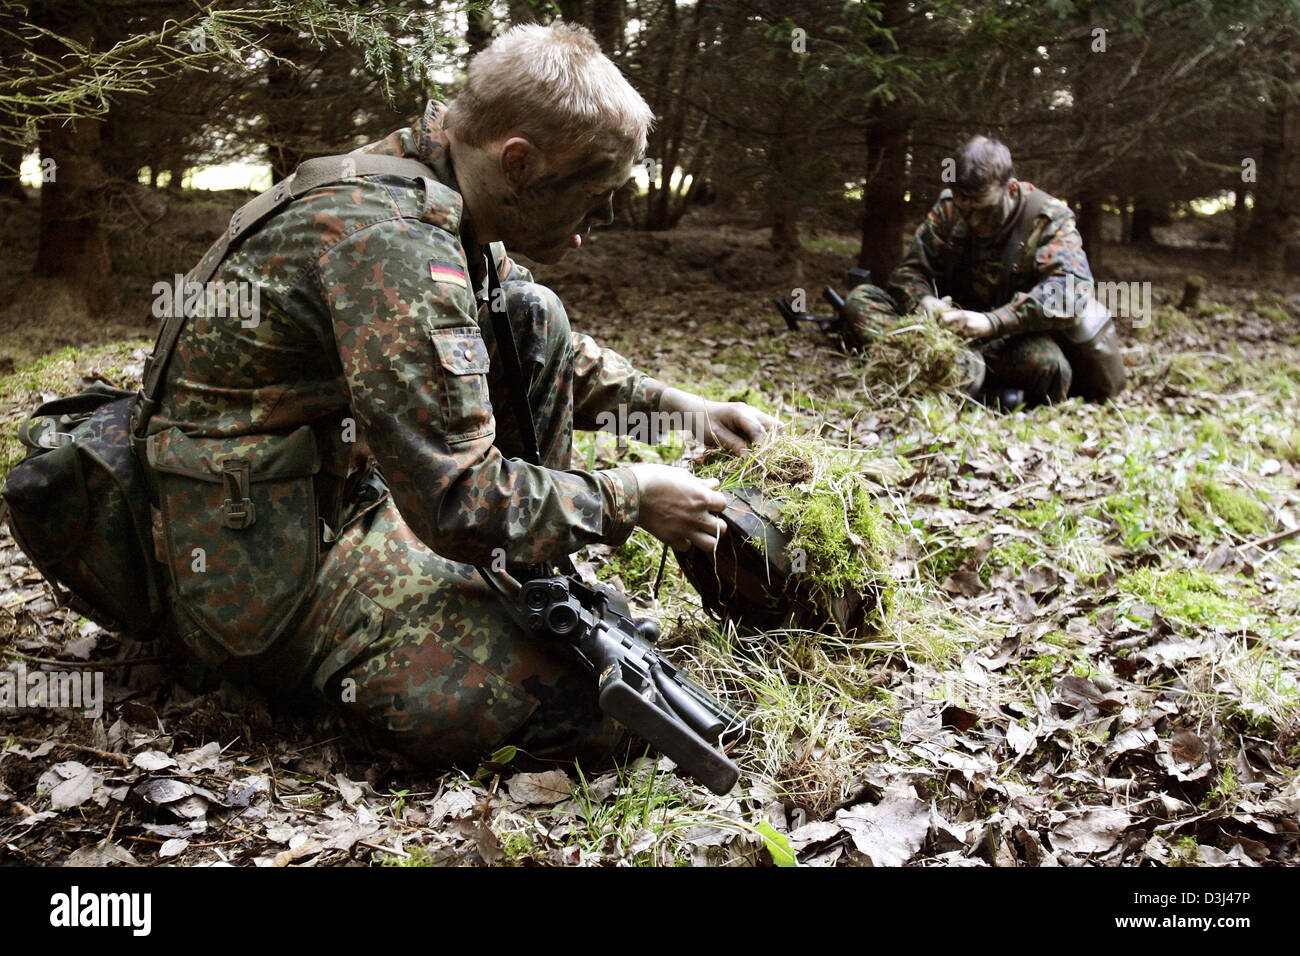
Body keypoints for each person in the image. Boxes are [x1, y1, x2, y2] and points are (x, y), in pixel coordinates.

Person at [140, 23, 774, 769]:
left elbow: (525, 342)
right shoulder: (391, 240)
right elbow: (457, 502)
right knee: (585, 708)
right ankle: (269, 660)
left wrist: (681, 409)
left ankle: (523, 574)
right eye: (593, 198)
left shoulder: (441, 174)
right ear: (519, 160)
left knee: (534, 313)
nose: (593, 229)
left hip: (338, 491)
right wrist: (627, 499)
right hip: (255, 558)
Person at [843, 135, 1126, 408]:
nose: (975, 220)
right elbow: (909, 273)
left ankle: (939, 374)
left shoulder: (1048, 219)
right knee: (860, 300)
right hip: (943, 331)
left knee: (1050, 367)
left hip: (1004, 338)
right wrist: (925, 301)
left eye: (984, 209)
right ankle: (949, 372)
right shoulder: (949, 208)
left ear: (1011, 189)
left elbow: (1069, 294)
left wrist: (992, 321)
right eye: (965, 210)